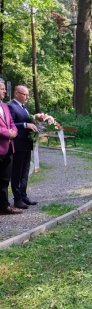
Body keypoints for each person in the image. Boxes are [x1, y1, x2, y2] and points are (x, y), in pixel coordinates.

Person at [8, 85, 39, 209]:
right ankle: (17, 199)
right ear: (16, 94)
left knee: (25, 171)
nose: (27, 97)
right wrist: (25, 124)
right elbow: (11, 124)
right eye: (24, 94)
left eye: (28, 95)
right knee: (17, 172)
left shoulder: (24, 107)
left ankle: (23, 195)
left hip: (27, 144)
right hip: (18, 144)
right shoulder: (12, 106)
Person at [0, 78, 22, 215]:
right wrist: (8, 133)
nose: (4, 91)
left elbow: (12, 122)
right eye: (2, 89)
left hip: (8, 148)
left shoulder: (5, 106)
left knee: (4, 180)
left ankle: (4, 206)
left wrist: (14, 131)